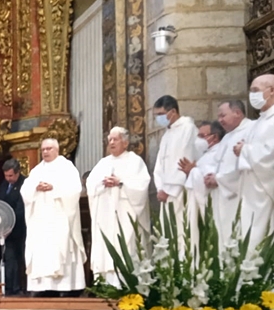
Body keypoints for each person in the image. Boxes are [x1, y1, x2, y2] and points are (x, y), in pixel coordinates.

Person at [86, 127, 151, 286]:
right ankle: (106, 284)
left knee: (126, 245)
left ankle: (128, 283)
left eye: (115, 139)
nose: (111, 142)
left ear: (126, 142)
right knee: (106, 246)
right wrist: (103, 184)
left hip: (125, 212)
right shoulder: (103, 163)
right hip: (106, 214)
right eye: (109, 140)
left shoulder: (135, 161)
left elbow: (141, 186)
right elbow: (90, 185)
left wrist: (120, 182)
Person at [20, 139, 85, 295]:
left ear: (57, 150)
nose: (45, 152)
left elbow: (75, 189)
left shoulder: (66, 167)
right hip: (41, 220)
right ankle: (43, 287)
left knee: (60, 247)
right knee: (42, 249)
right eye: (43, 149)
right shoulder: (36, 170)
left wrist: (53, 188)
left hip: (59, 217)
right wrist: (36, 188)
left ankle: (65, 287)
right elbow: (25, 190)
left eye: (49, 149)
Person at [235, 74, 274, 248]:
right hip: (252, 187)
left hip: (267, 187)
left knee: (261, 236)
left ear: (272, 90)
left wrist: (245, 150)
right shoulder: (261, 119)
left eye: (255, 90)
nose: (252, 95)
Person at [151, 95, 197, 230]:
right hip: (166, 194)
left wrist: (170, 190)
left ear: (173, 112)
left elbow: (186, 162)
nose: (158, 118)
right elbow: (159, 165)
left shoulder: (188, 129)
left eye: (161, 114)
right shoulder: (167, 134)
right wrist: (160, 188)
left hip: (180, 192)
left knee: (181, 233)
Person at [212, 100, 253, 246]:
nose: (220, 120)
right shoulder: (227, 136)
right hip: (223, 194)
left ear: (238, 113)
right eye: (219, 116)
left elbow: (246, 165)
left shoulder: (251, 129)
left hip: (239, 193)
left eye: (223, 115)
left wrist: (218, 179)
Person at [181, 120, 226, 242]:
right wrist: (191, 173)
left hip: (216, 204)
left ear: (215, 137)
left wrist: (194, 171)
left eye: (202, 136)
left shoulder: (220, 153)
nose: (198, 140)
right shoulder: (206, 155)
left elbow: (210, 178)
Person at [0, 158, 27, 296]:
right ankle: (10, 288)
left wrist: (11, 226)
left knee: (22, 259)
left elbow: (21, 209)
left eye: (11, 176)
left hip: (21, 229)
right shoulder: (4, 185)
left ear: (17, 173)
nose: (8, 178)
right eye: (6, 175)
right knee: (9, 259)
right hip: (5, 230)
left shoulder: (25, 184)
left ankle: (24, 288)